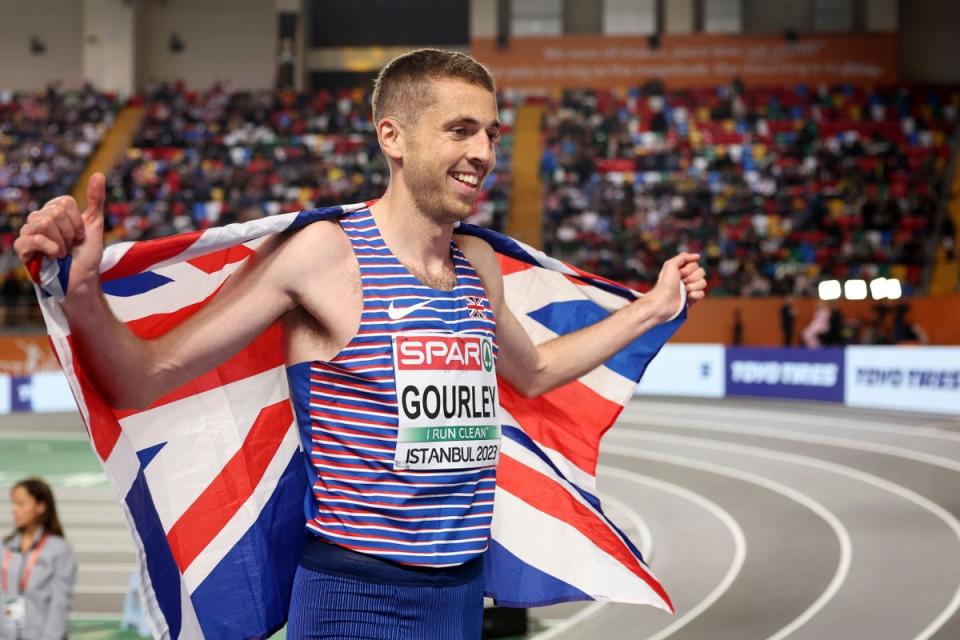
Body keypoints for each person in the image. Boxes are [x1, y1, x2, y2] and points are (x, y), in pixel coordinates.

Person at [14, 49, 706, 639]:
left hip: (461, 601)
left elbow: (537, 371)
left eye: (492, 134)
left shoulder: (479, 267)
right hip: (351, 602)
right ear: (393, 137)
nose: (484, 154)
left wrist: (650, 309)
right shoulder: (325, 256)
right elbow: (146, 376)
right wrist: (83, 295)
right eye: (461, 130)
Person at [1, 478, 77, 640]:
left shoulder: (59, 550)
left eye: (21, 504)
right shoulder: (4, 547)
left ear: (41, 506)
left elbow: (59, 605)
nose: (15, 510)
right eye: (13, 504)